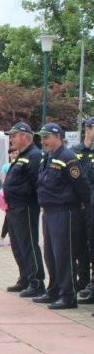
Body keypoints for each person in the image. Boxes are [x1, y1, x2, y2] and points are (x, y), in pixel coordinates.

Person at [31, 123, 90, 310]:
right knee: (51, 255)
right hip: (49, 212)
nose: (43, 141)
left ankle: (68, 296)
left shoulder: (67, 157)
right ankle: (54, 290)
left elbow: (82, 185)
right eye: (42, 138)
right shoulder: (47, 157)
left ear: (58, 137)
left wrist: (81, 206)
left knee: (64, 255)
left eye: (46, 137)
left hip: (64, 212)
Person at [3, 122, 45, 298]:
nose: (11, 139)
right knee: (17, 244)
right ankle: (25, 277)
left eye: (14, 136)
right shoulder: (22, 155)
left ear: (24, 136)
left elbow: (37, 182)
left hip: (25, 206)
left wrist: (25, 195)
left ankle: (37, 282)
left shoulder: (34, 155)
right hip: (14, 206)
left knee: (28, 244)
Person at [73, 117, 94, 304]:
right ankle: (83, 280)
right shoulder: (75, 151)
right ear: (88, 129)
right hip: (78, 205)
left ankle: (92, 285)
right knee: (79, 244)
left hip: (92, 205)